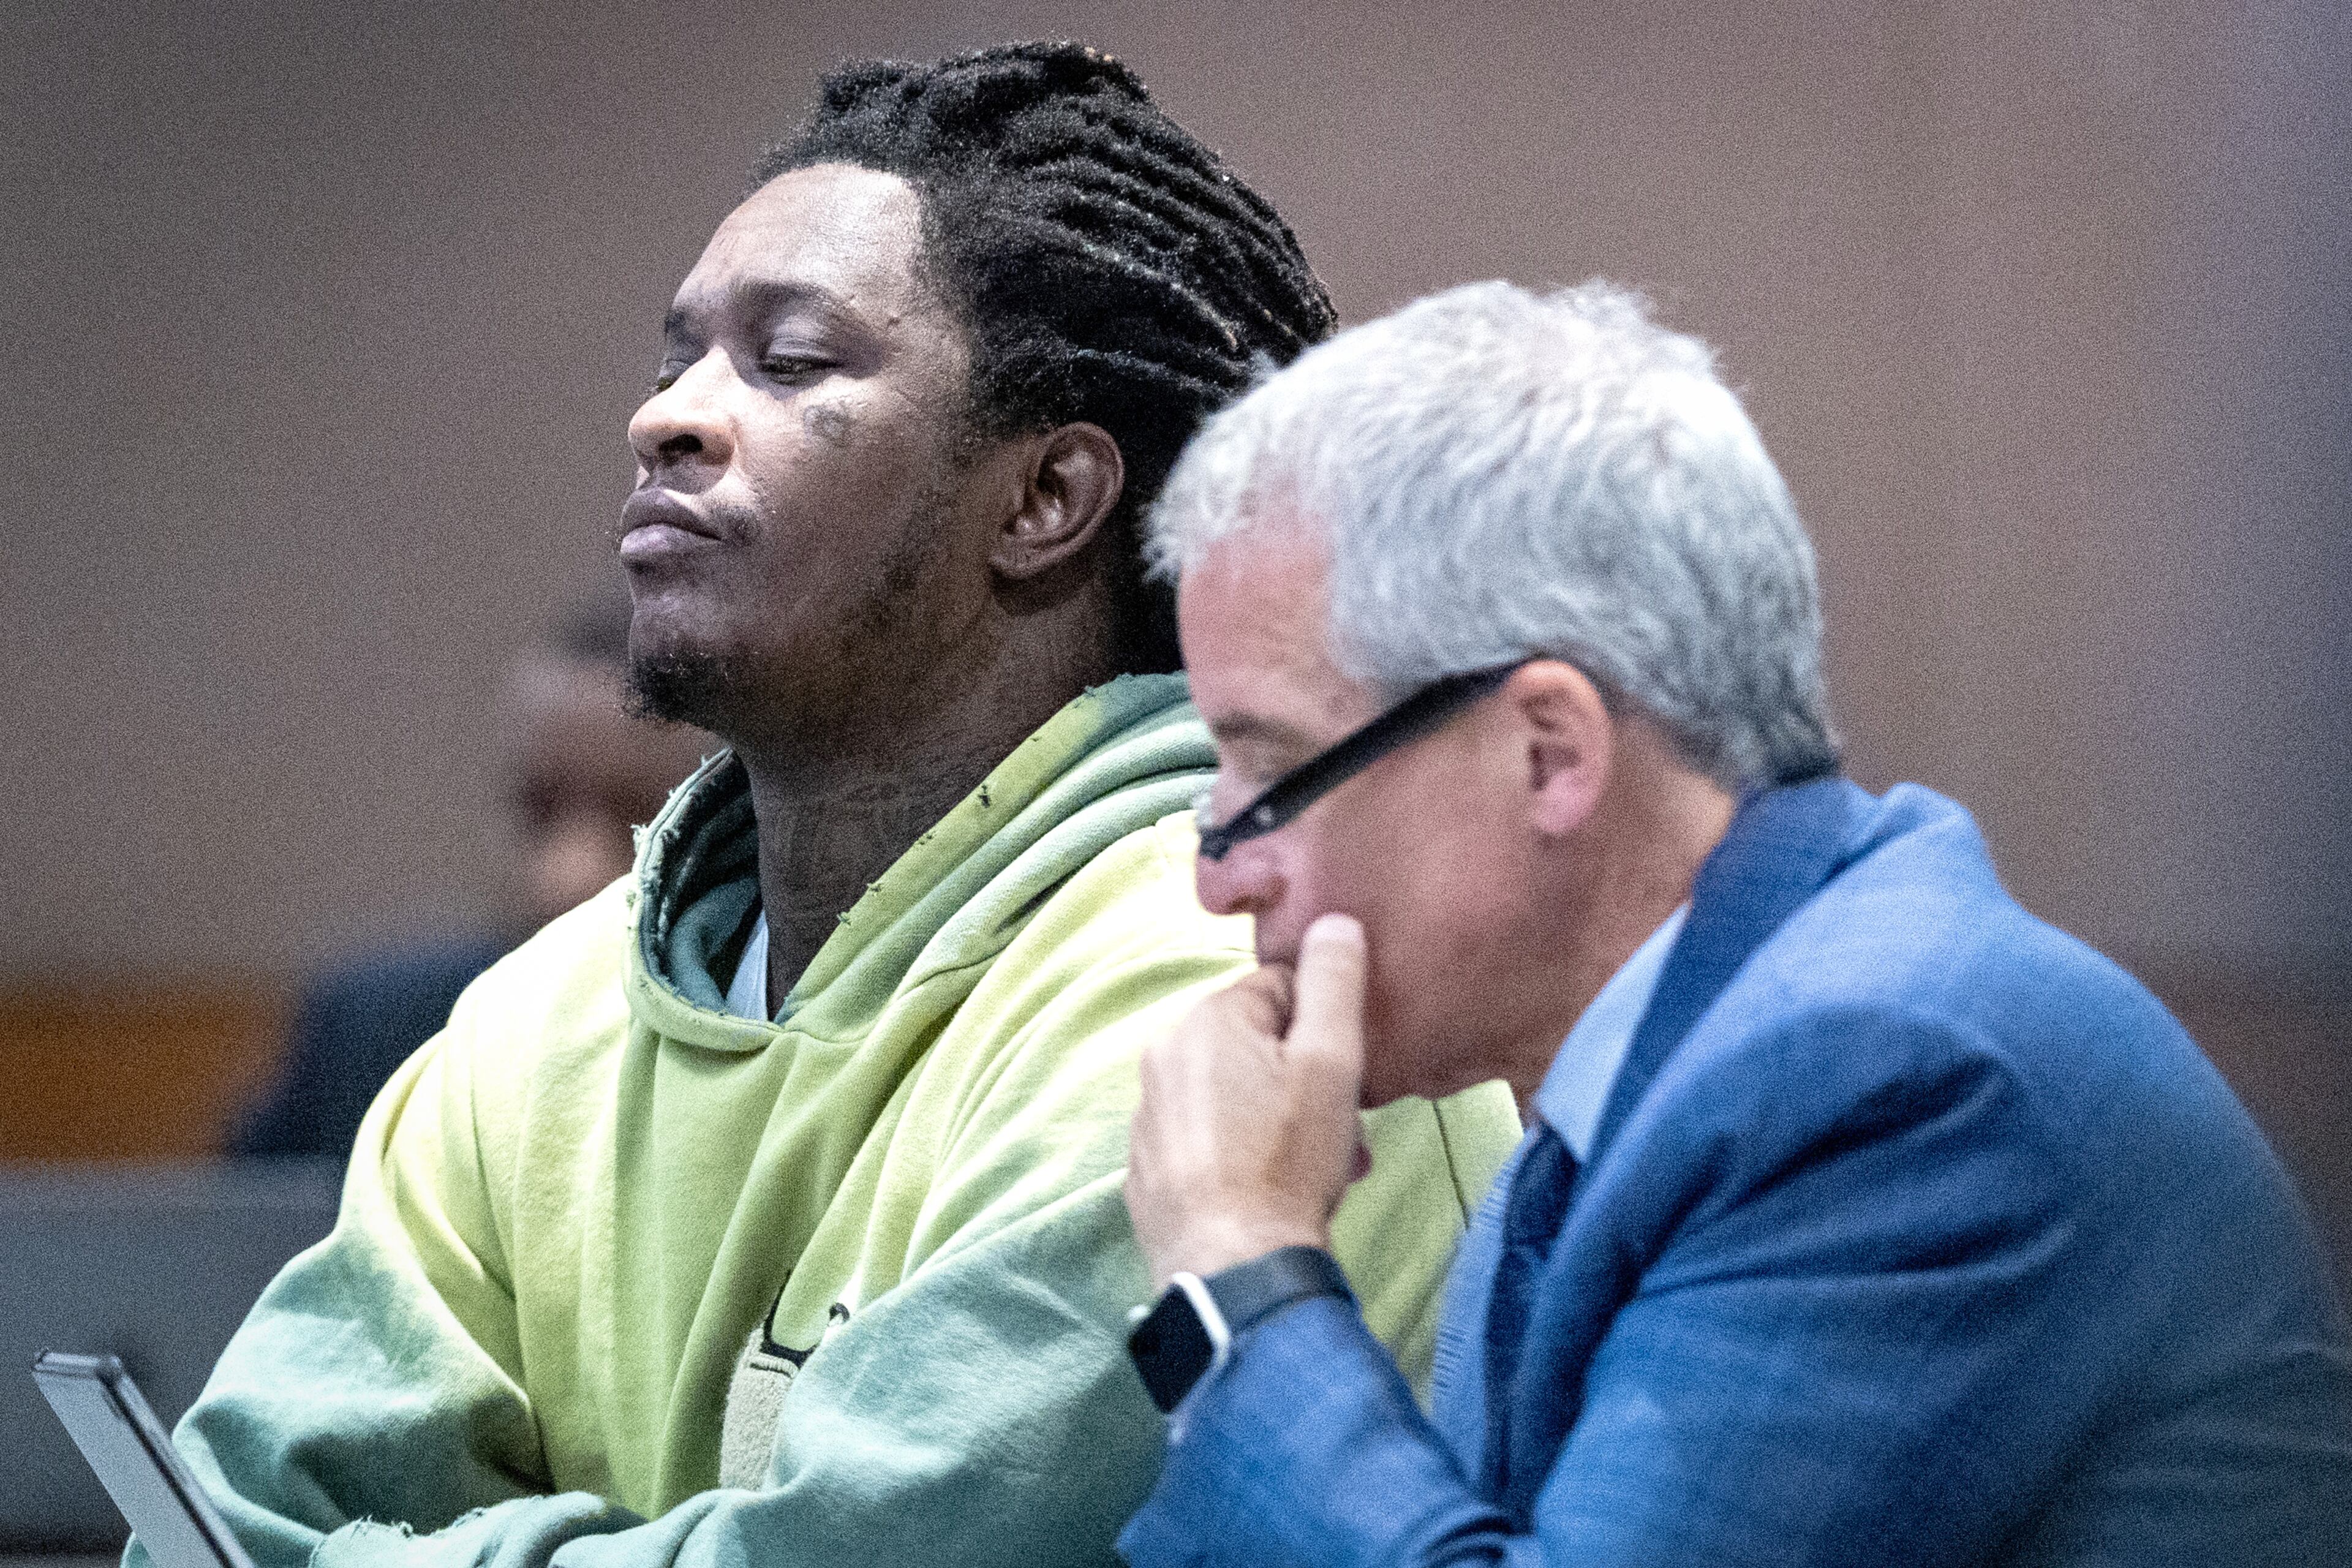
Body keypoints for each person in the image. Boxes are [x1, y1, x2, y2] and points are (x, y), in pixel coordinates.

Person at [141, 42, 1520, 1568]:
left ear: (1045, 498)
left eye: (789, 362)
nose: (668, 418)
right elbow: (212, 1526)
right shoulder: (535, 1019)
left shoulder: (1228, 984)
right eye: (677, 358)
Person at [1118, 281, 2352, 1564]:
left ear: (1550, 754)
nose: (1219, 876)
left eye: (1272, 773)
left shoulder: (1891, 1075)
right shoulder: (1611, 1116)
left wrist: (1236, 1260)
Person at [231, 594, 709, 1159]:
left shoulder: (765, 1063)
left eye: (641, 819)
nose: (566, 877)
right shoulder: (372, 1034)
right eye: (540, 811)